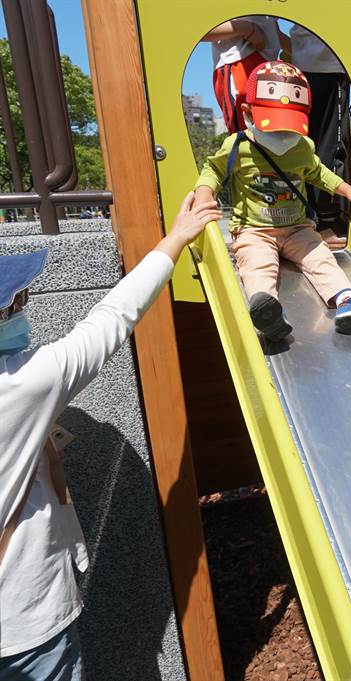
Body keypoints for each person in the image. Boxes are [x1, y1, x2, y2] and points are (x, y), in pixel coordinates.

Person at [0, 192, 221, 680]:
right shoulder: (23, 383)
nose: (26, 303)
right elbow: (112, 319)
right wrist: (176, 238)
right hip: (25, 620)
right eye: (17, 299)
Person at [194, 61, 351, 342]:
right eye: (275, 128)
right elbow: (213, 169)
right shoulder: (238, 146)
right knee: (256, 265)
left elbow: (318, 173)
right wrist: (205, 192)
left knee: (321, 258)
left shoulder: (303, 147)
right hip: (254, 231)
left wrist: (347, 190)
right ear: (248, 114)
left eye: (288, 129)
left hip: (297, 228)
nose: (283, 137)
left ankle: (347, 301)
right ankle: (268, 310)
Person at [288, 24, 351, 244]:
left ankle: (312, 218)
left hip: (303, 63)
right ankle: (329, 221)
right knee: (330, 144)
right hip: (327, 62)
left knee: (308, 143)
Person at [202, 16, 285, 133]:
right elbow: (196, 27)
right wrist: (248, 29)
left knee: (272, 136)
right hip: (240, 61)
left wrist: (300, 52)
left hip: (267, 64)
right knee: (247, 137)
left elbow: (273, 32)